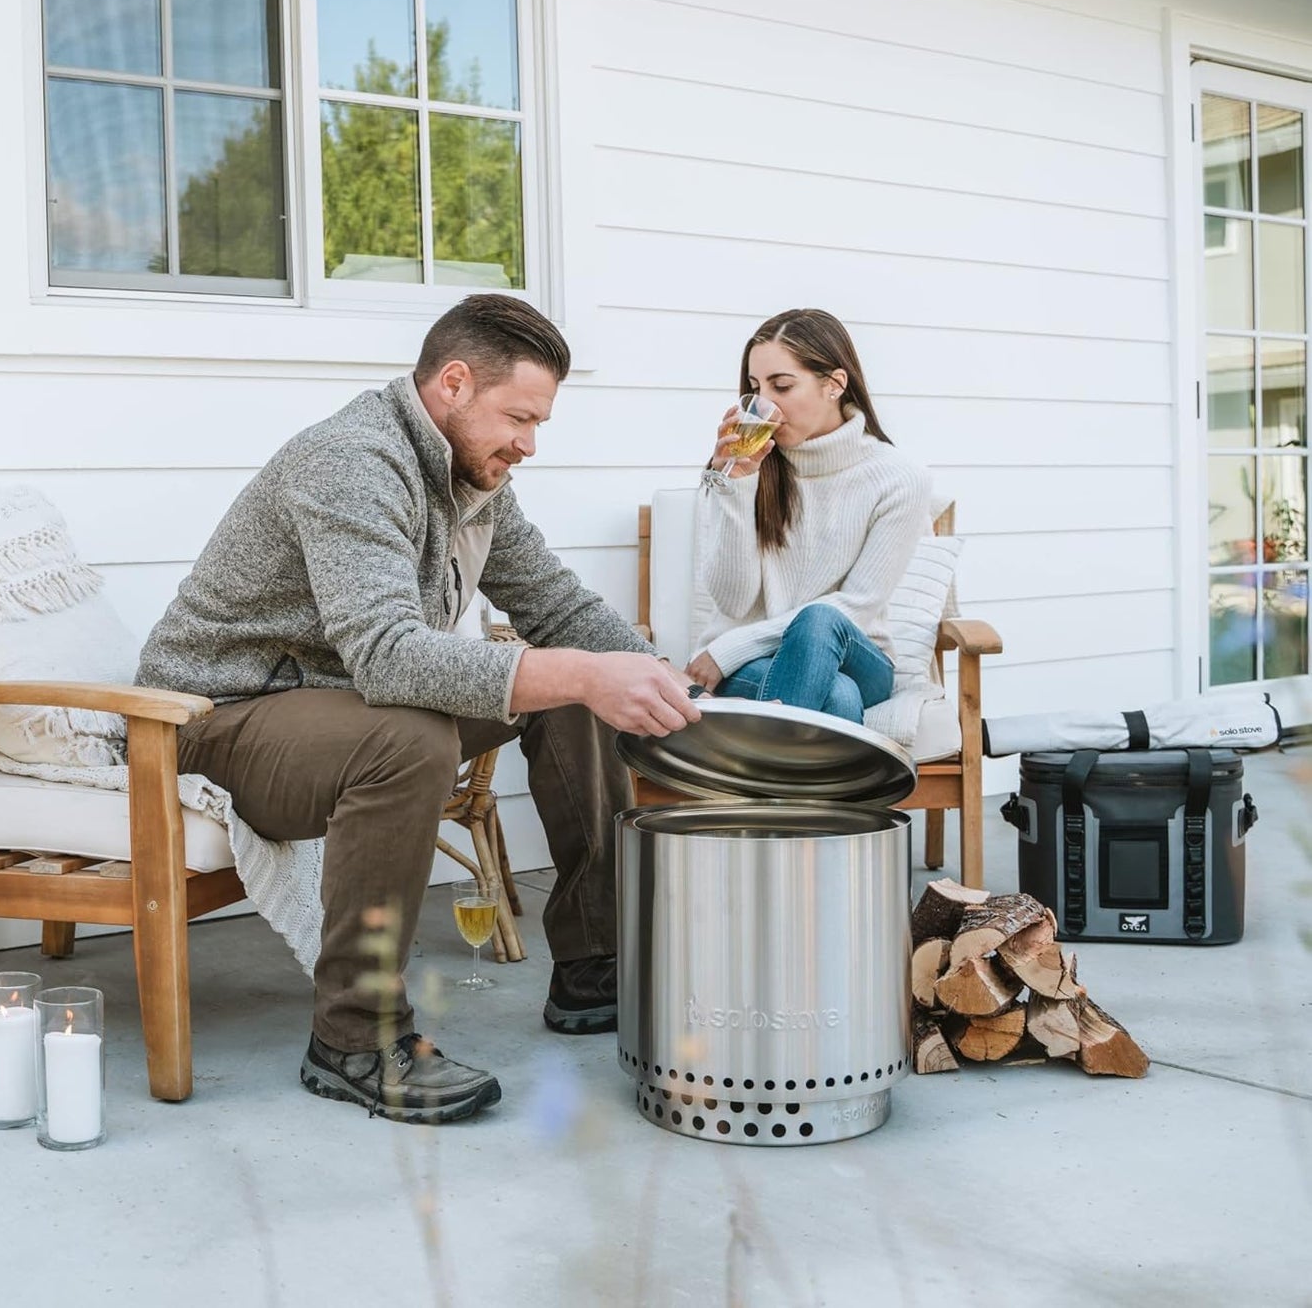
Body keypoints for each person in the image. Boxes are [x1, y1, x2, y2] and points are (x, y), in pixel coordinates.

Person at [137, 294, 699, 1124]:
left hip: (336, 700)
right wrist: (579, 668)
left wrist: (655, 678)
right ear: (453, 383)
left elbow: (555, 607)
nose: (528, 443)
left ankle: (593, 963)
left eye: (539, 422)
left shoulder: (476, 478)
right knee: (409, 736)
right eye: (517, 417)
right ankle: (353, 1037)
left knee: (581, 685)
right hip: (217, 715)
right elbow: (388, 655)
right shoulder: (351, 459)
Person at [685, 309, 930, 724]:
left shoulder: (899, 479)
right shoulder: (746, 463)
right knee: (837, 698)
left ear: (834, 384)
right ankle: (784, 789)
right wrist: (736, 484)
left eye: (781, 385)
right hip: (767, 666)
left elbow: (857, 605)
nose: (765, 404)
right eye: (754, 387)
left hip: (856, 654)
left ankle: (752, 782)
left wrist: (729, 650)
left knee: (820, 620)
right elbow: (734, 599)